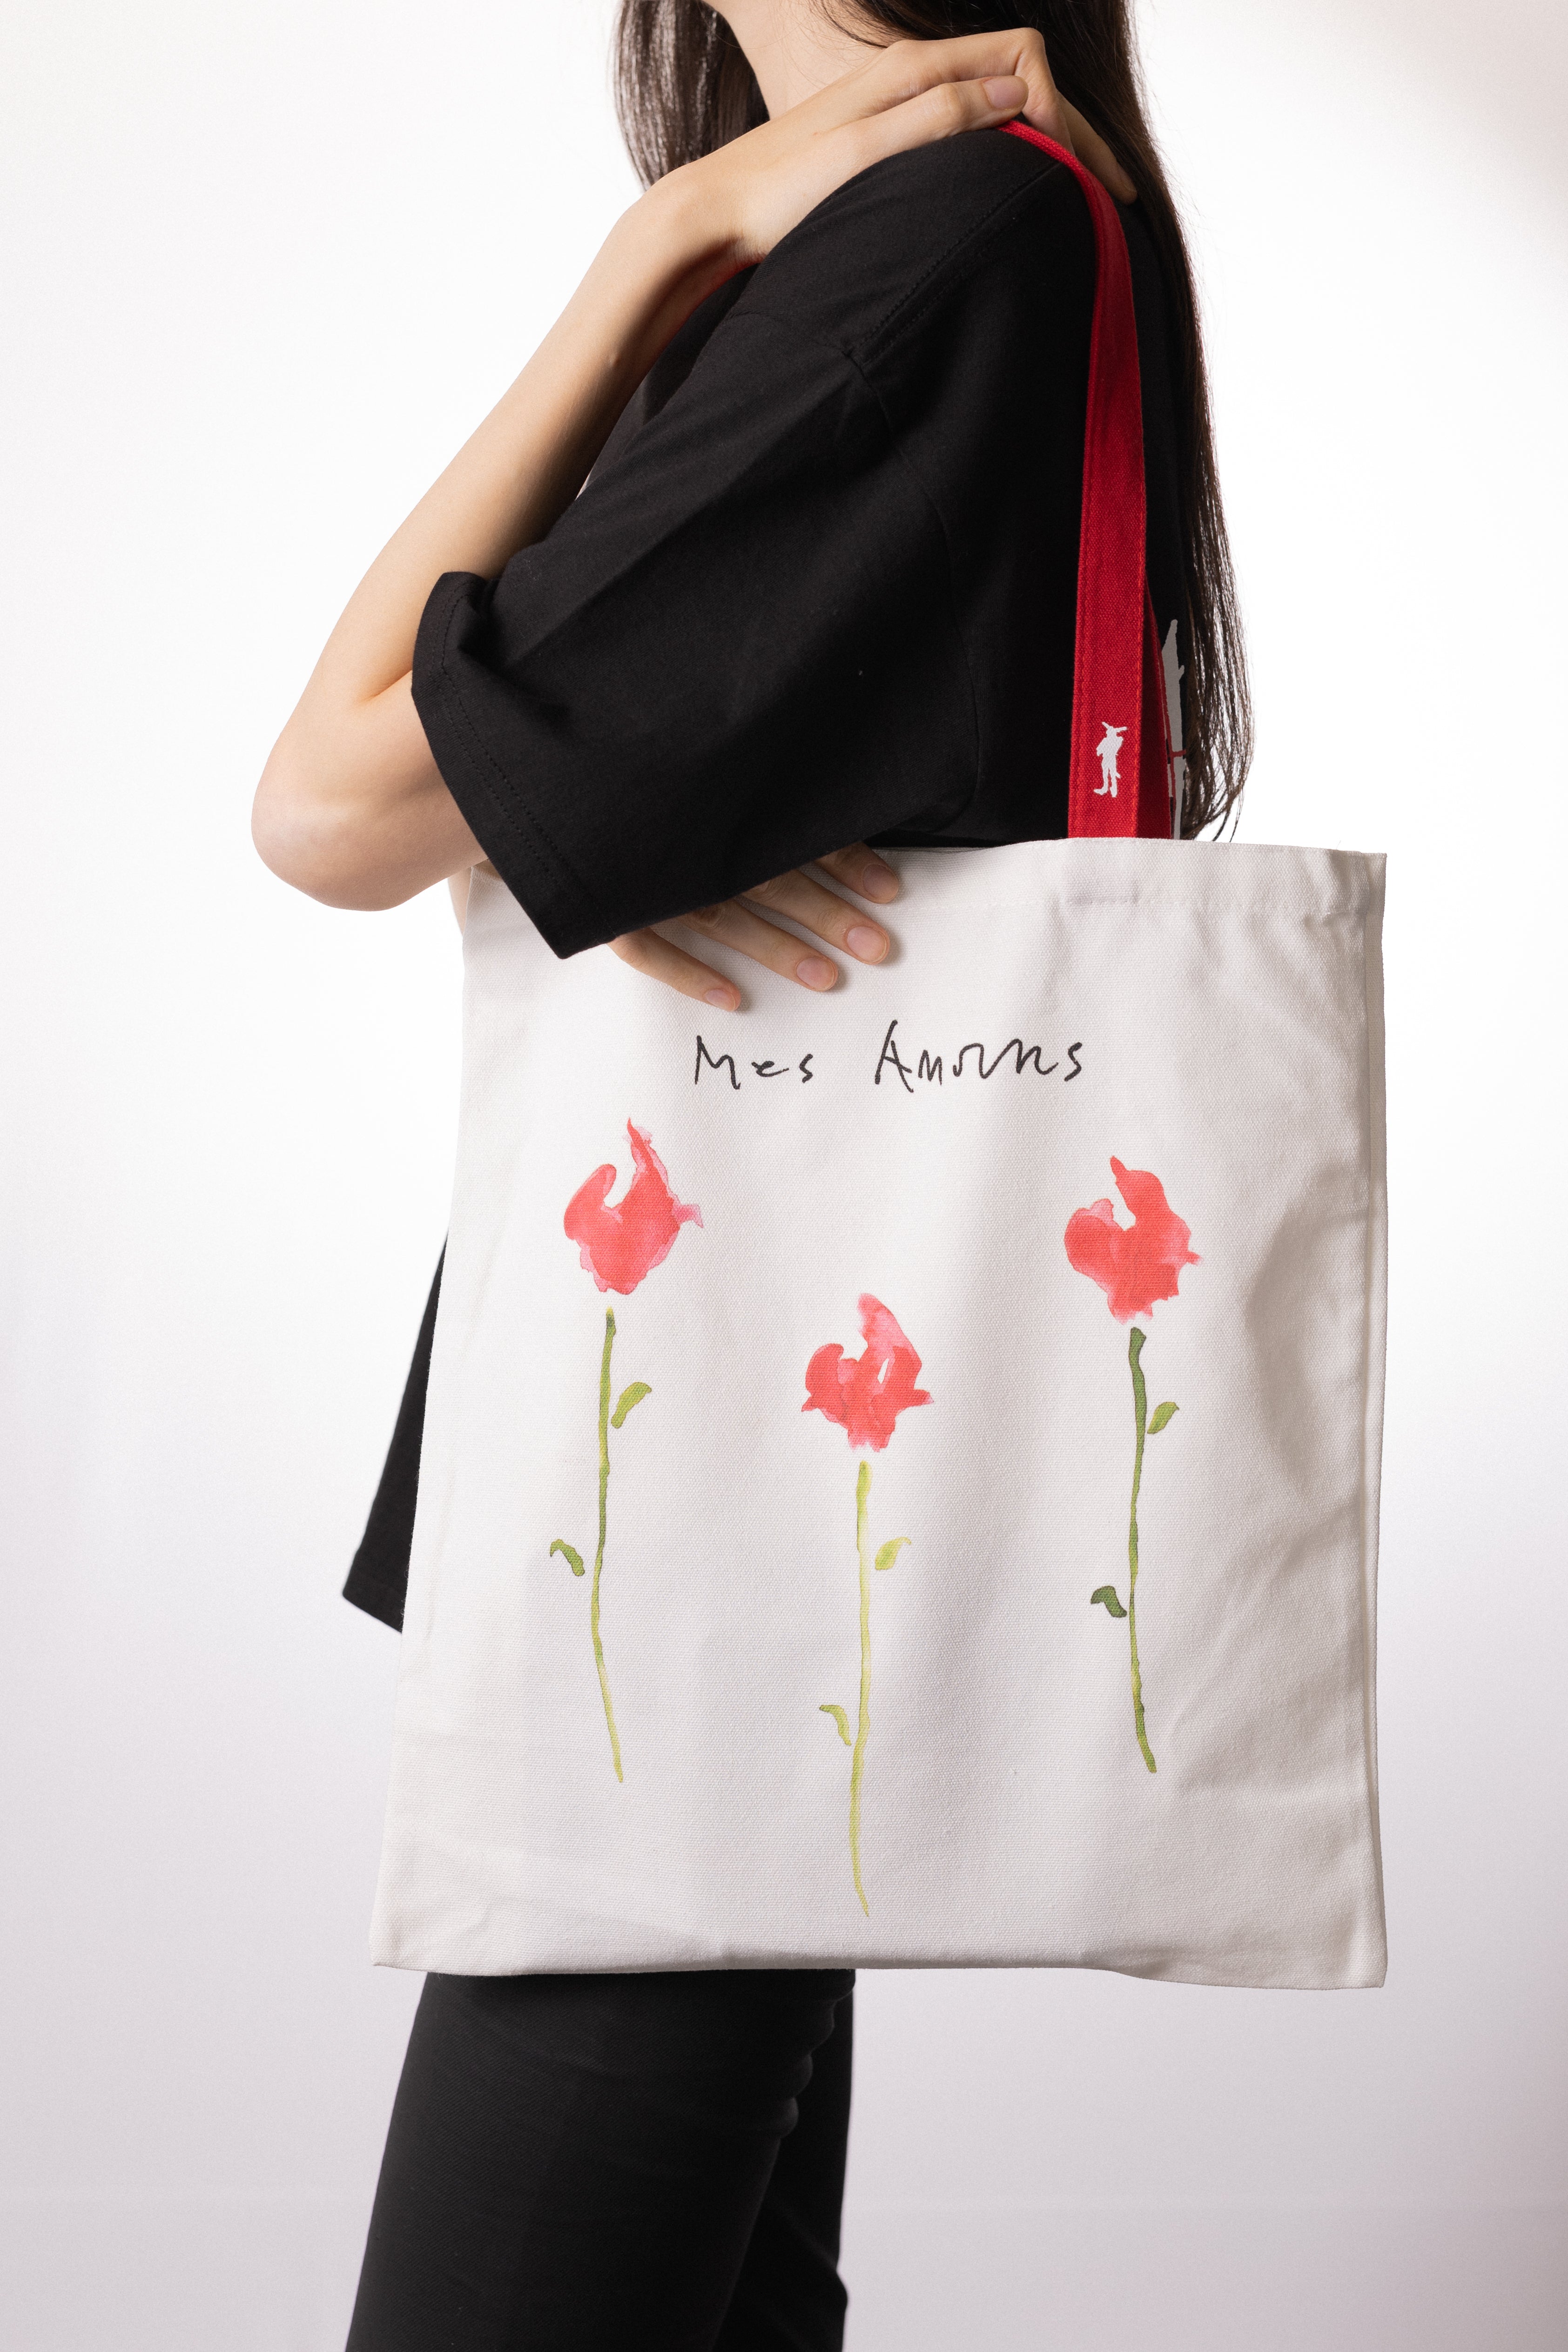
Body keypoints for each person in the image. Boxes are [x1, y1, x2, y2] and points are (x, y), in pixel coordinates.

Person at [253, 4, 1249, 2343]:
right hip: (792, 1477)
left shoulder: (942, 240)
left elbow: (328, 804)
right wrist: (696, 239)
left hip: (715, 1510)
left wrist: (655, 254)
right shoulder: (997, 224)